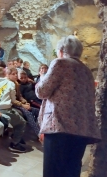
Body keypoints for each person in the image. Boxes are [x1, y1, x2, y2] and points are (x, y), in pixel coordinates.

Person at [35, 36, 101, 177]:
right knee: (71, 170)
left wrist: (41, 79)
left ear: (61, 50)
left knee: (53, 171)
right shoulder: (86, 71)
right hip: (81, 129)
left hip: (60, 127)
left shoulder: (60, 63)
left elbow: (42, 91)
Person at [0, 67, 26, 152]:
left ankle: (16, 135)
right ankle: (15, 144)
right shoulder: (10, 83)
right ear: (6, 74)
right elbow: (13, 100)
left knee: (19, 113)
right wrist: (23, 105)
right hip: (5, 110)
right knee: (22, 122)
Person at [7, 68, 40, 137]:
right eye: (13, 74)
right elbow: (12, 100)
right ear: (8, 75)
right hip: (11, 104)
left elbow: (20, 96)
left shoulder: (16, 84)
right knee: (28, 114)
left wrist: (24, 102)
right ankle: (38, 134)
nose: (15, 75)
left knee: (37, 111)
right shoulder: (8, 84)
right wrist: (23, 105)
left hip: (19, 103)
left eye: (16, 74)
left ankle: (39, 131)